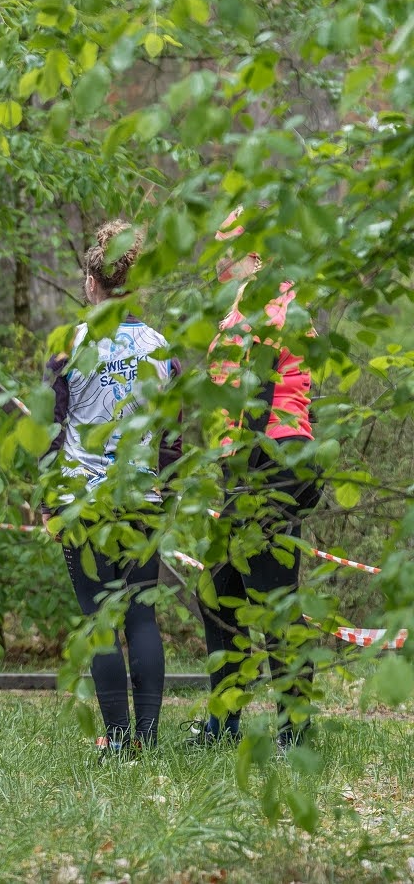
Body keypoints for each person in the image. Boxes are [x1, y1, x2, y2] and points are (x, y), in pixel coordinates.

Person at [43, 221, 179, 758]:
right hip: (143, 498)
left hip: (84, 500)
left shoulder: (69, 346)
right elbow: (172, 435)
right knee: (142, 615)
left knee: (100, 620)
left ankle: (118, 741)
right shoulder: (160, 347)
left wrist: (49, 502)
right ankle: (146, 736)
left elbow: (51, 430)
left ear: (91, 283)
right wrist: (167, 492)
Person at [192, 214, 320, 749]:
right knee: (218, 591)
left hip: (267, 462)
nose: (218, 262)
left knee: (271, 598)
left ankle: (295, 730)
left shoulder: (269, 302)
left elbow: (263, 392)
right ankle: (224, 722)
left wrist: (248, 474)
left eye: (226, 251)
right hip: (256, 461)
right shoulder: (249, 303)